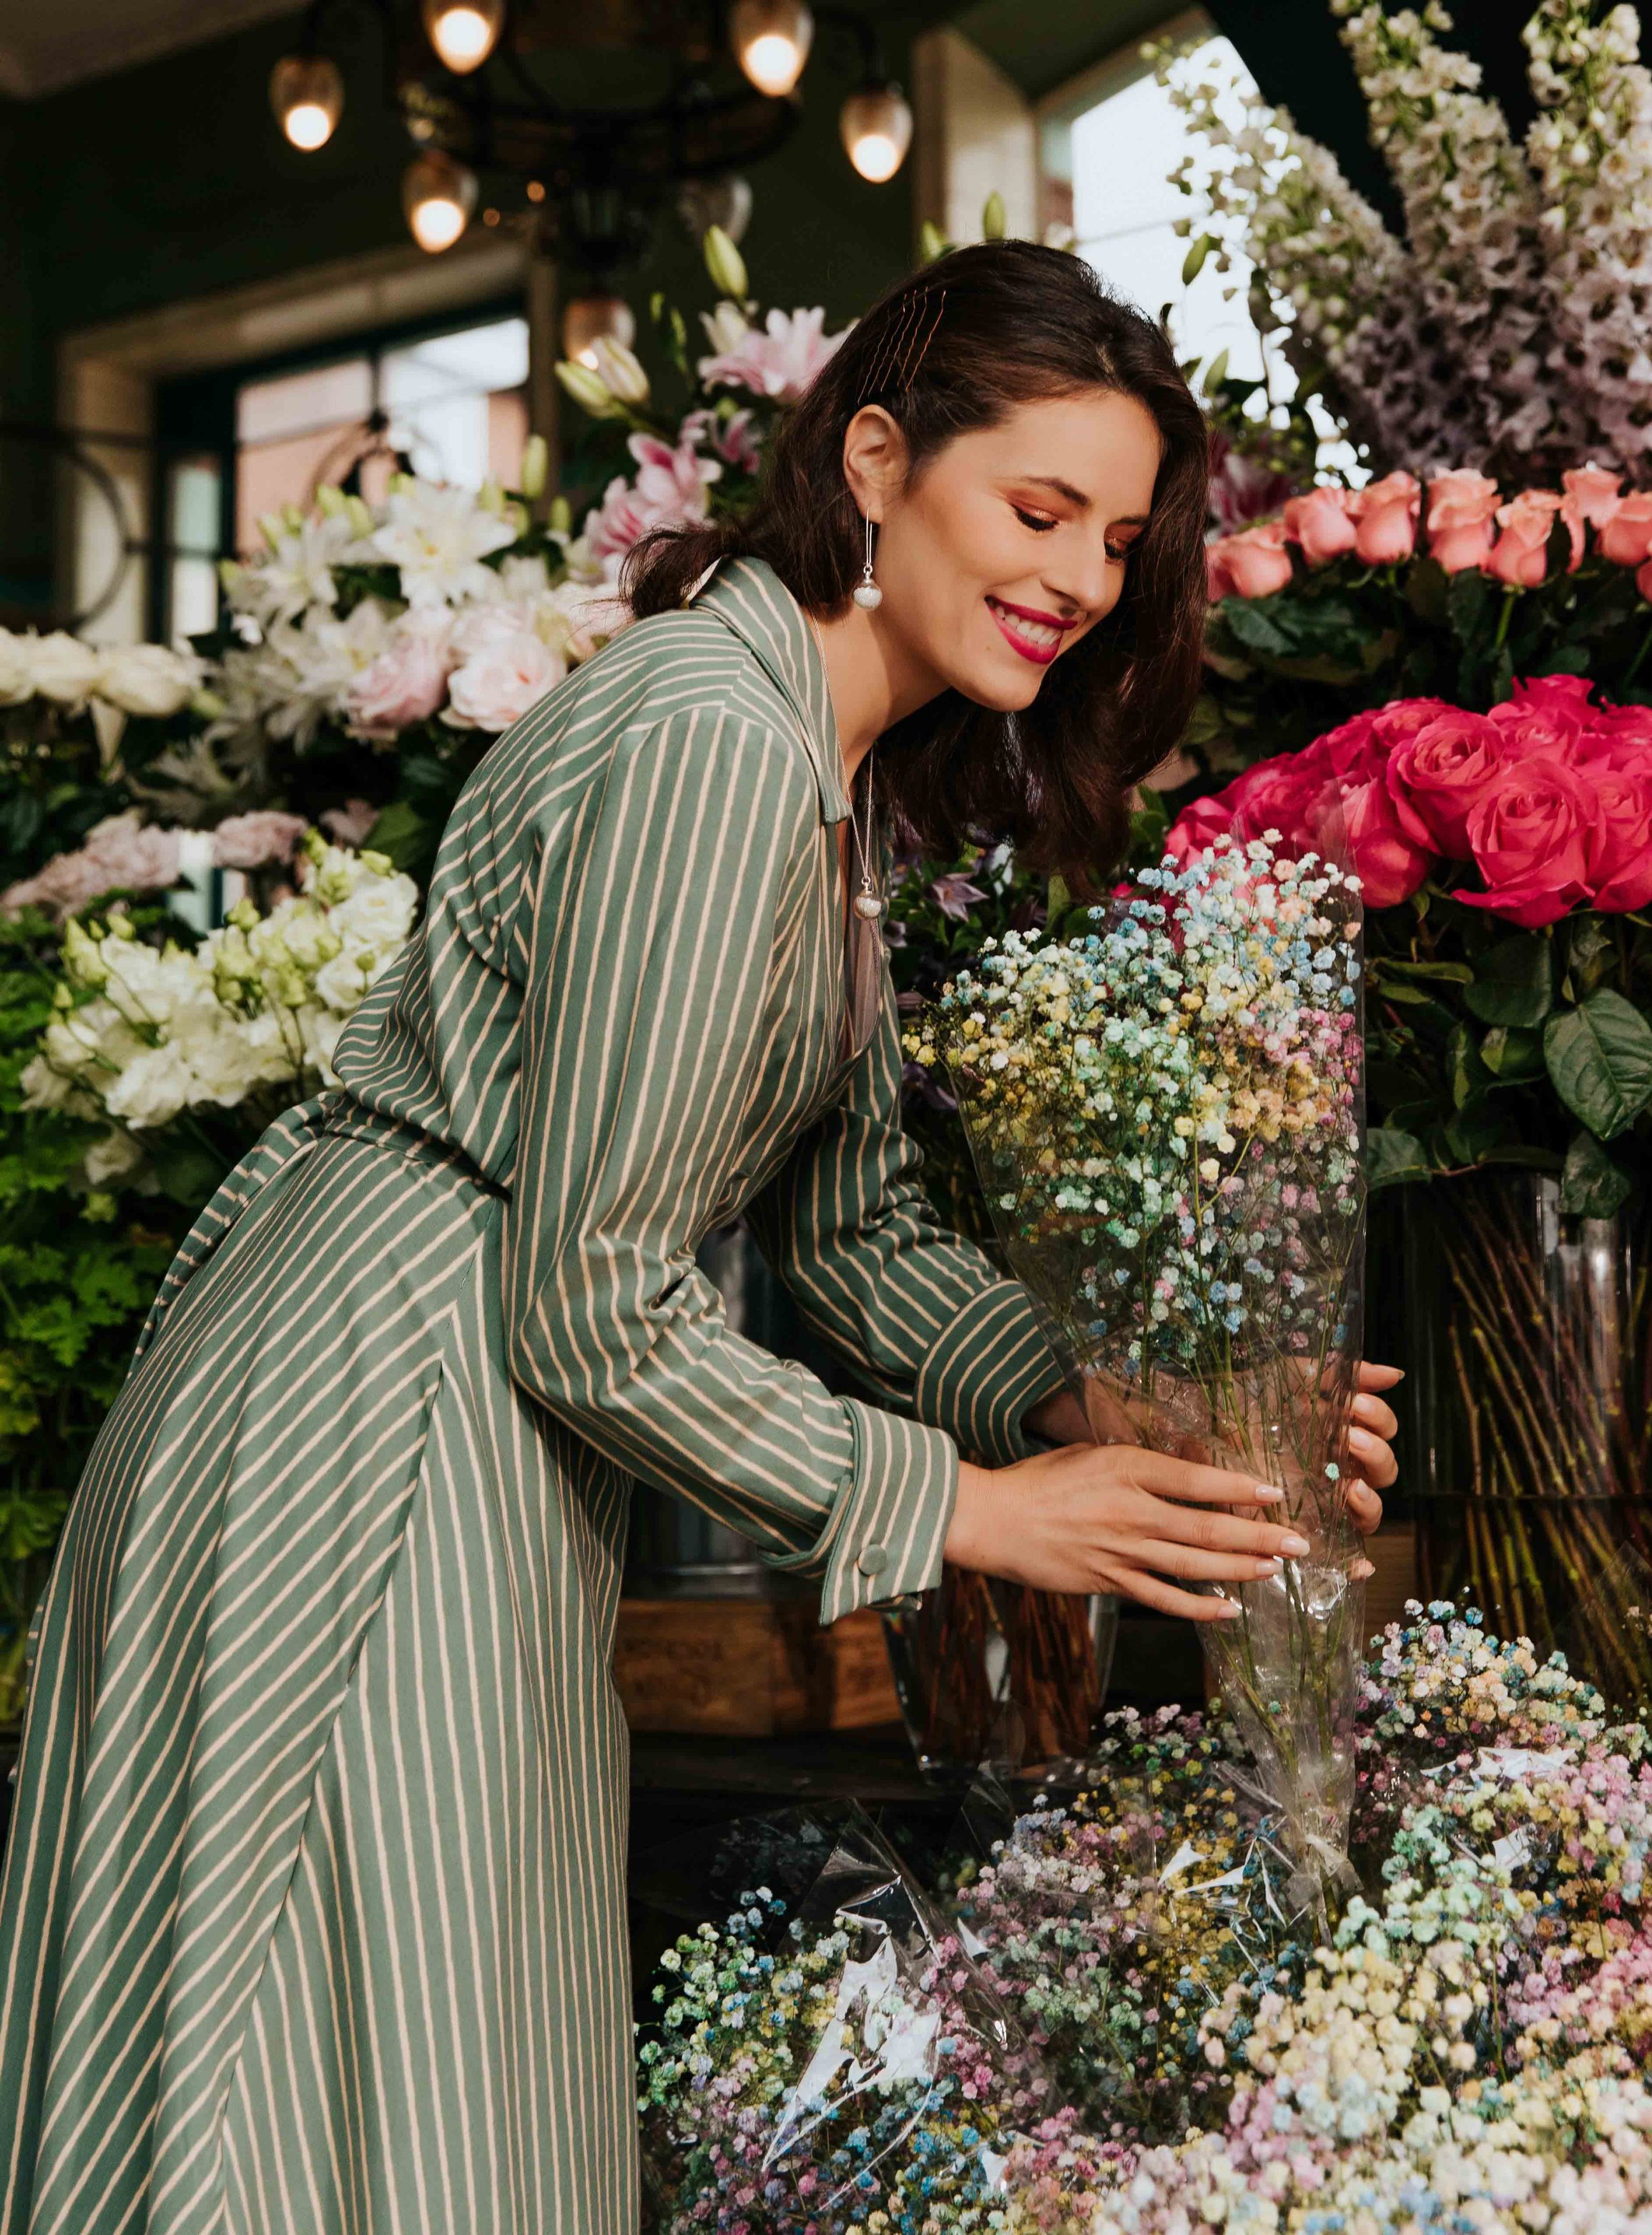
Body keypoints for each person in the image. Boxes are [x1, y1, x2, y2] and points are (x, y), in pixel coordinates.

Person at [0, 242, 1398, 2233]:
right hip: (385, 1416)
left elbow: (854, 1225)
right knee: (336, 2075)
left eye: (1118, 536)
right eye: (1036, 510)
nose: (1081, 580)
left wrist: (1129, 1410)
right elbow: (586, 1302)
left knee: (422, 2065)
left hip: (464, 1415)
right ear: (875, 459)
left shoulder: (813, 776)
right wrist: (976, 1514)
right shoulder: (707, 747)